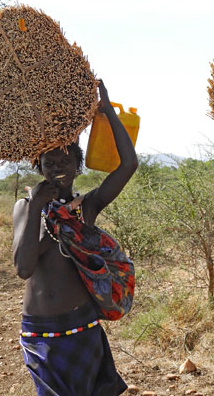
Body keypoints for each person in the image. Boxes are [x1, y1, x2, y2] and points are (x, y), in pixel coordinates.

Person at [12, 80, 138, 396]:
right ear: (37, 166)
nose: (58, 169)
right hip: (42, 335)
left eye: (65, 161)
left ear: (78, 165)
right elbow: (24, 268)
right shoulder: (25, 208)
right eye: (49, 162)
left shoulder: (87, 208)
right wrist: (38, 206)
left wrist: (108, 111)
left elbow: (129, 165)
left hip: (84, 326)